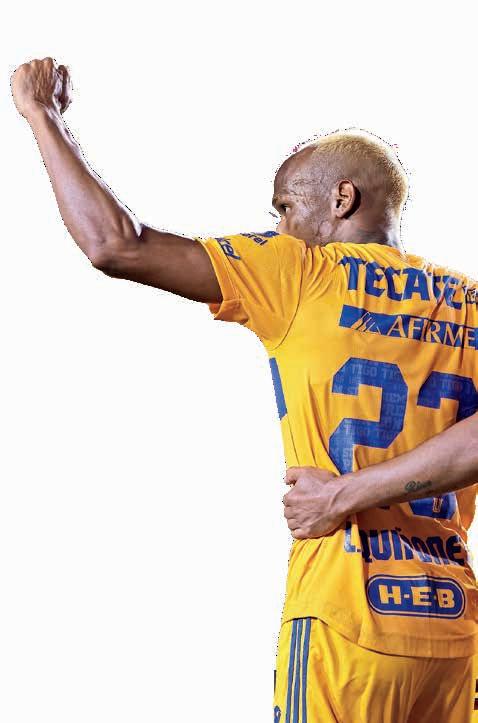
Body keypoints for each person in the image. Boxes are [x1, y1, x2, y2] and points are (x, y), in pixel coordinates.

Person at [11, 57, 478, 722]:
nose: (281, 226)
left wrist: (42, 115)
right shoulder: (468, 301)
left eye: (287, 206)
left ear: (342, 199)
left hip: (346, 619)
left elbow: (115, 244)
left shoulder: (300, 270)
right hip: (453, 631)